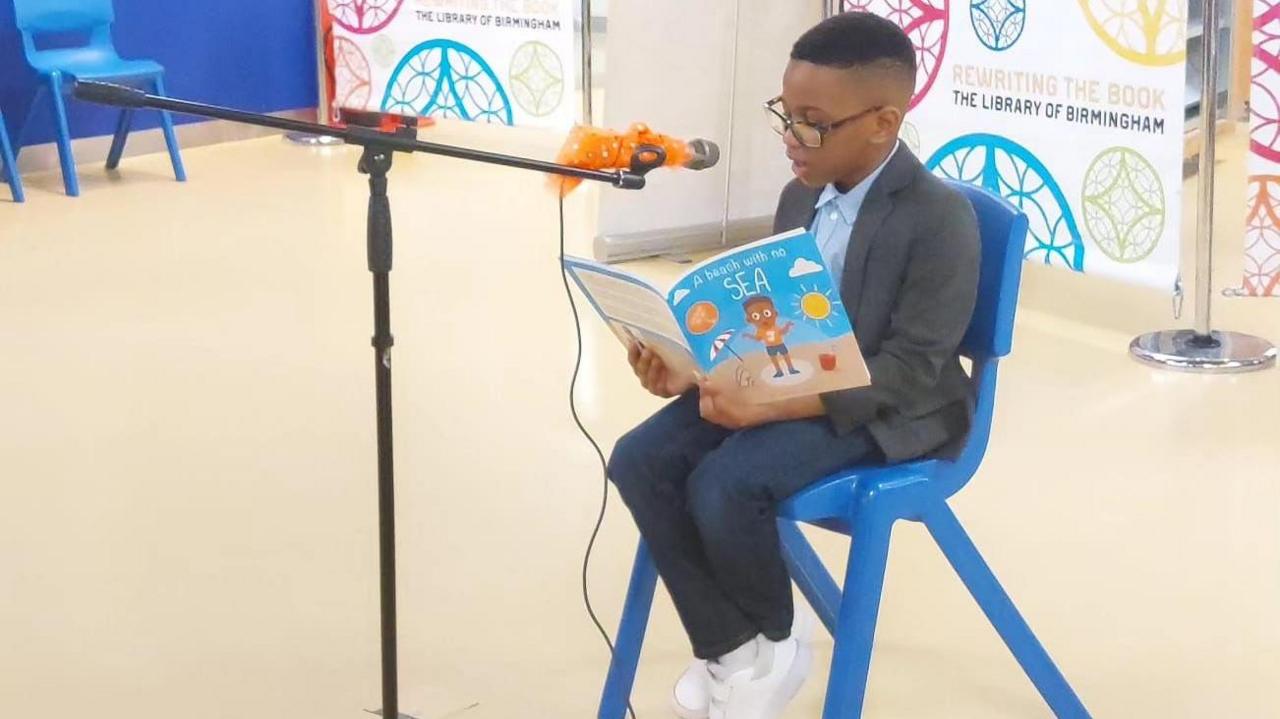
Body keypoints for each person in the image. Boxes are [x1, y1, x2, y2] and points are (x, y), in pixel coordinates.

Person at [607, 11, 980, 719]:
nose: (790, 137)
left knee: (725, 481)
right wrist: (695, 369)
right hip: (790, 379)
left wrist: (769, 403)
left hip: (888, 407)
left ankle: (779, 634)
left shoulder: (939, 219)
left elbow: (907, 372)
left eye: (812, 122)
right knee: (638, 458)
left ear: (882, 122)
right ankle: (735, 649)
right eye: (786, 113)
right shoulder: (799, 194)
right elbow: (769, 322)